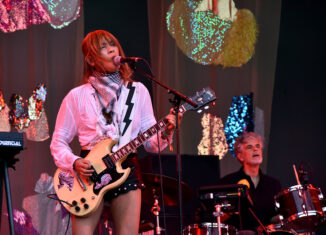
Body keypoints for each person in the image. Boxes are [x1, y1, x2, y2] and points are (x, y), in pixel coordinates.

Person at [50, 30, 181, 235]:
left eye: (113, 44)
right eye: (103, 46)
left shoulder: (138, 91)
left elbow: (151, 144)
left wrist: (166, 131)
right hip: (89, 173)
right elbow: (58, 141)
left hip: (126, 168)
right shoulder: (76, 96)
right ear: (91, 60)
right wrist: (74, 162)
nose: (112, 49)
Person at [218, 132, 282, 233]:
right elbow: (218, 218)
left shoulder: (274, 184)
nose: (255, 149)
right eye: (249, 147)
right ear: (240, 156)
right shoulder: (227, 182)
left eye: (257, 146)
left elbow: (276, 218)